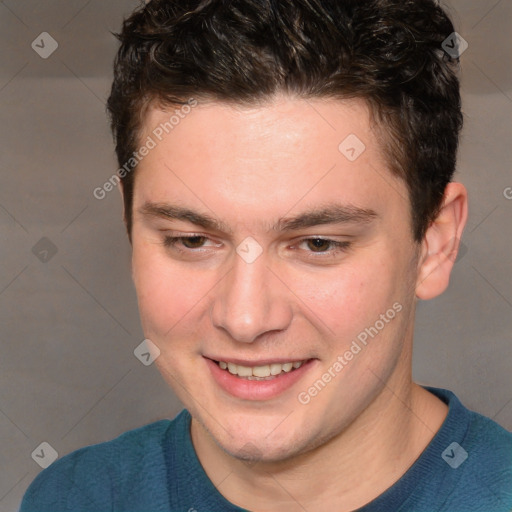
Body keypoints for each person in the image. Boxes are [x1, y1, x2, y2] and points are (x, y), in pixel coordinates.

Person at [20, 0, 512, 511]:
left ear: (435, 243)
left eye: (318, 243)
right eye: (192, 240)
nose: (246, 319)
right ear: (129, 225)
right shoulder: (72, 498)